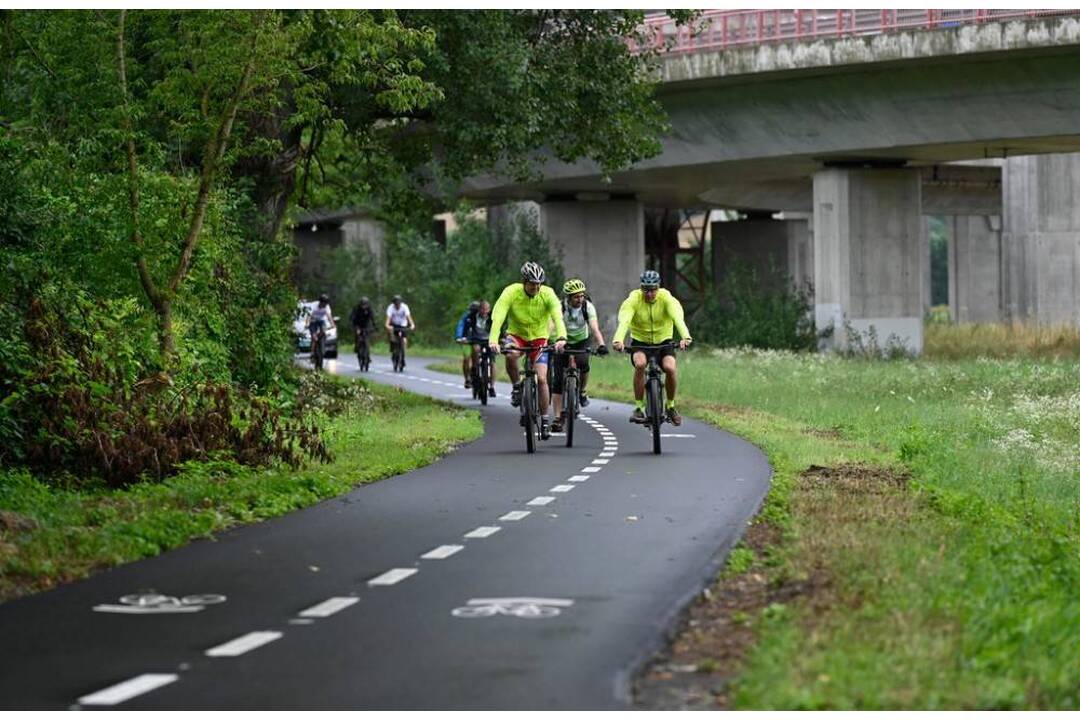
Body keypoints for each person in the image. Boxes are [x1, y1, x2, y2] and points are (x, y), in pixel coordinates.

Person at [488, 262, 567, 439]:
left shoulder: (548, 294)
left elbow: (558, 317)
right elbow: (498, 315)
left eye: (539, 283)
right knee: (510, 355)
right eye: (532, 283)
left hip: (539, 337)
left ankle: (545, 420)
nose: (536, 287)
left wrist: (561, 337)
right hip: (517, 335)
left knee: (541, 378)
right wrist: (493, 339)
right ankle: (517, 386)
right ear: (524, 282)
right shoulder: (511, 292)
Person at [611, 270, 693, 426]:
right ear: (641, 288)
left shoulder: (666, 298)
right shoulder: (633, 299)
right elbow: (625, 321)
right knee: (640, 365)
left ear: (658, 287)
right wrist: (618, 340)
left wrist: (685, 337)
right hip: (641, 342)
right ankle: (639, 407)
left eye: (653, 289)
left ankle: (670, 406)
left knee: (670, 368)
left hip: (664, 341)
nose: (649, 294)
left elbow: (678, 319)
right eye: (645, 290)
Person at [550, 278, 608, 433]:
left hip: (582, 340)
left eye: (582, 295)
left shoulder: (588, 307)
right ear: (568, 297)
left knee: (583, 364)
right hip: (563, 341)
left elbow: (594, 328)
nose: (580, 299)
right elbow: (552, 325)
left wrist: (601, 344)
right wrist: (549, 341)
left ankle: (582, 391)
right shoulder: (560, 307)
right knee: (556, 380)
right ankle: (557, 418)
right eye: (576, 296)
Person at [455, 300, 496, 395]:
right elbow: (461, 326)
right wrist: (459, 337)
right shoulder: (470, 317)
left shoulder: (492, 317)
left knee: (493, 362)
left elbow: (497, 328)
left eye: (486, 309)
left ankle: (492, 386)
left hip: (488, 340)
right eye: (482, 309)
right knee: (470, 355)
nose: (483, 311)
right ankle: (470, 375)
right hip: (471, 339)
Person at [385, 294, 415, 363]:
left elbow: (408, 317)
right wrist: (387, 325)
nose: (397, 305)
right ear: (394, 304)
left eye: (398, 304)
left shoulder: (405, 307)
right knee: (392, 335)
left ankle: (403, 353)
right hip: (394, 324)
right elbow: (388, 319)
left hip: (402, 325)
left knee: (404, 340)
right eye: (396, 304)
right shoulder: (390, 308)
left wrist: (412, 325)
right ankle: (393, 349)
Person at [350, 296, 376, 366]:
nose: (364, 306)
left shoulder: (369, 309)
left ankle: (367, 355)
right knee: (357, 335)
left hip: (366, 325)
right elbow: (352, 318)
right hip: (357, 324)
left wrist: (374, 326)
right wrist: (354, 327)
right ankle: (357, 347)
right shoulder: (356, 309)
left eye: (365, 305)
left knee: (367, 339)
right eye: (363, 305)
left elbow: (372, 317)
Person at [309, 294, 336, 360]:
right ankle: (312, 352)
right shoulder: (314, 305)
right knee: (314, 337)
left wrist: (333, 324)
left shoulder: (327, 307)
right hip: (313, 321)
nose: (324, 305)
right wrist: (307, 323)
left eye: (325, 303)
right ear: (320, 302)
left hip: (321, 321)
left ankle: (322, 345)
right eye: (323, 303)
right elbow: (309, 315)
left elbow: (329, 316)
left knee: (323, 331)